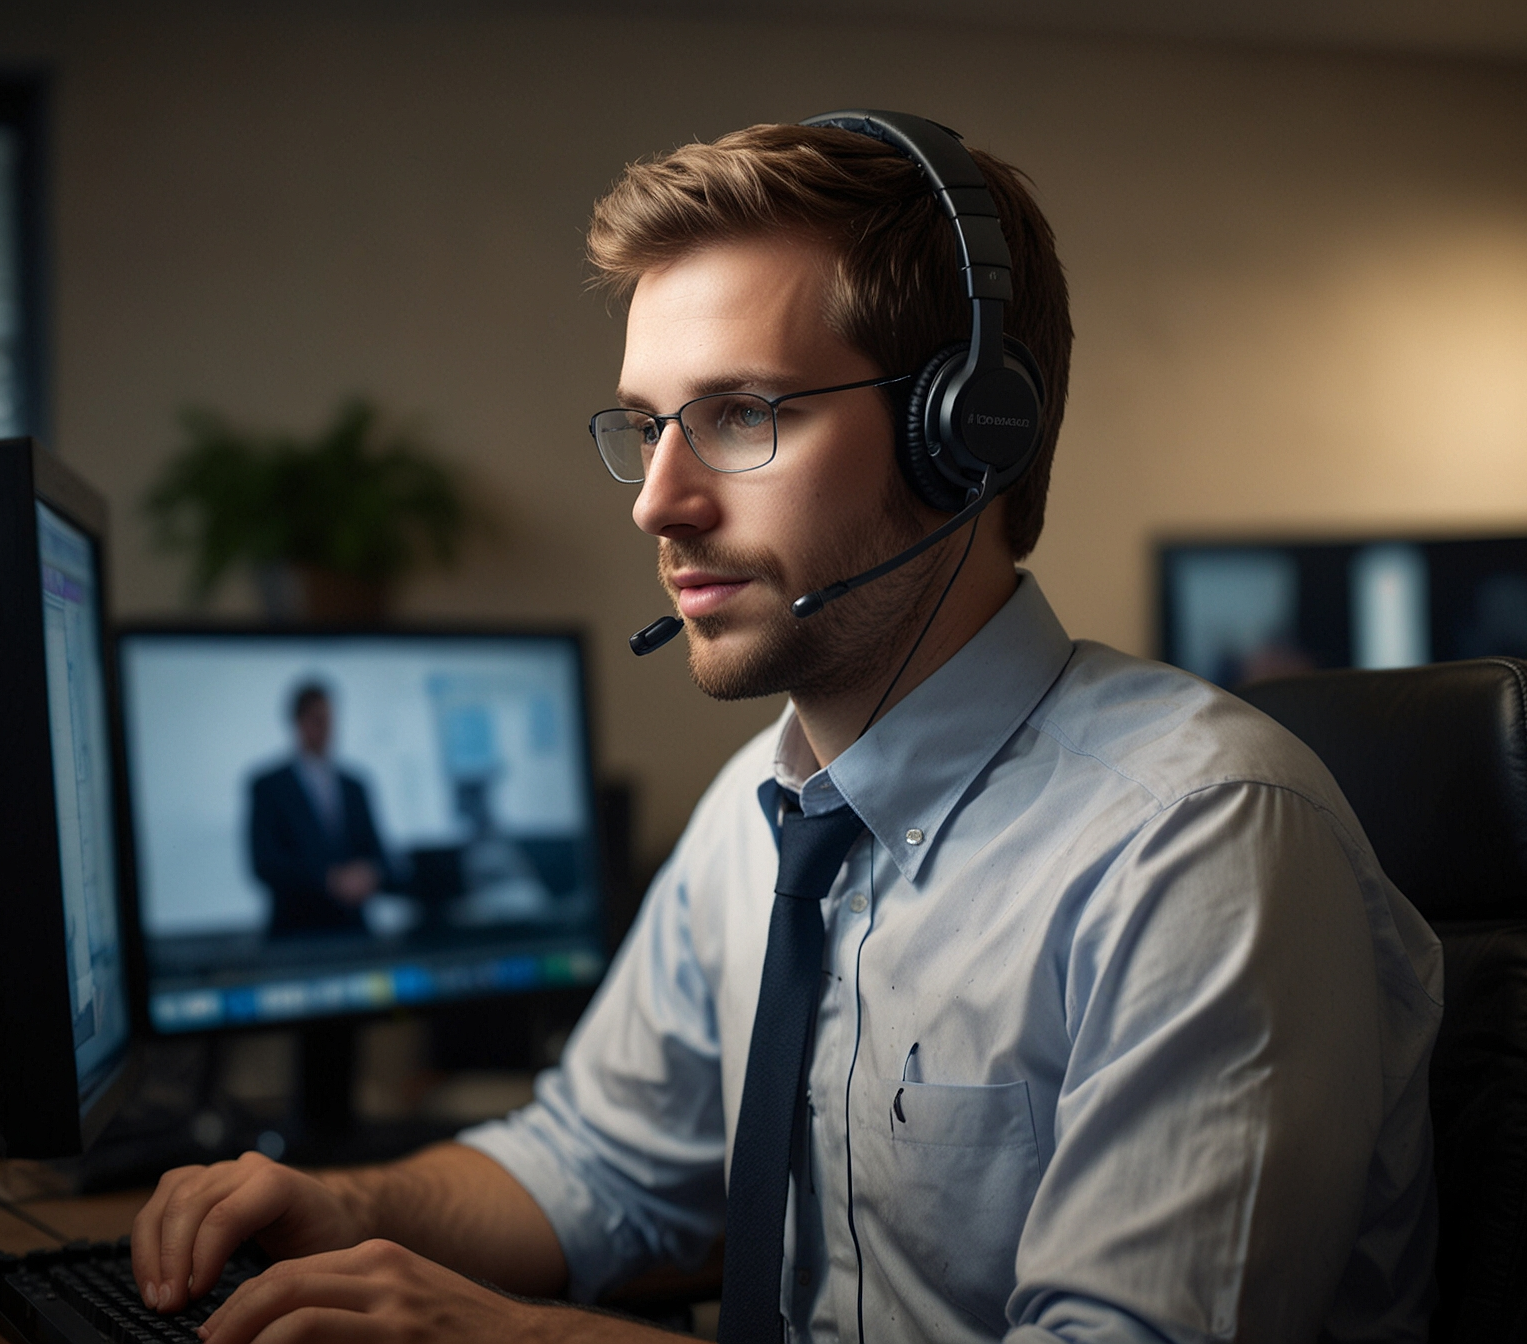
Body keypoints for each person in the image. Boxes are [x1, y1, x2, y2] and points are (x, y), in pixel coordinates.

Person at [135, 116, 1443, 1343]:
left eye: (739, 416)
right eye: (646, 428)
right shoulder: (753, 817)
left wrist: (517, 1336)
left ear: (965, 438)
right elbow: (596, 1166)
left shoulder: (1200, 845)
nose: (657, 503)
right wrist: (342, 1209)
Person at [248, 682, 388, 936]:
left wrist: (368, 874)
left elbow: (378, 853)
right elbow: (265, 863)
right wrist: (329, 880)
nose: (327, 729)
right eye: (318, 720)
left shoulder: (355, 787)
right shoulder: (269, 787)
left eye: (330, 720)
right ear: (298, 722)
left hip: (352, 931)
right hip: (296, 932)